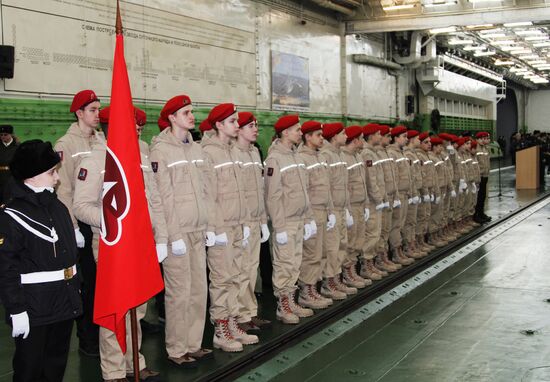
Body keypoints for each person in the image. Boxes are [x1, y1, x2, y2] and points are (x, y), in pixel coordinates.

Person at [73, 112, 165, 382]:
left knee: (137, 308)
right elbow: (81, 206)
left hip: (141, 243)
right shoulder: (94, 159)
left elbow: (153, 197)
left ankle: (133, 361)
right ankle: (113, 370)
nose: (137, 129)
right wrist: (111, 221)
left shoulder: (142, 153)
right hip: (111, 245)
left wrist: (159, 236)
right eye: (132, 125)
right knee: (116, 308)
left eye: (139, 126)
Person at [0, 139, 82, 382]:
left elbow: (69, 255)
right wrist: (16, 309)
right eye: (51, 172)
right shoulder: (11, 215)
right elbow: (6, 268)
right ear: (31, 176)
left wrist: (77, 290)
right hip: (34, 307)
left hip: (63, 301)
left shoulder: (57, 207)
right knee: (30, 368)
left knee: (55, 366)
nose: (57, 178)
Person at [149, 95, 213, 365]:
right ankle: (176, 349)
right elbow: (162, 198)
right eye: (185, 112)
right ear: (172, 118)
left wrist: (209, 225)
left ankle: (193, 343)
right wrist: (172, 236)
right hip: (179, 234)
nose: (191, 116)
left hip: (198, 230)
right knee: (179, 293)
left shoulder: (197, 149)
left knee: (199, 291)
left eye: (191, 111)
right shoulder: (161, 151)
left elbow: (206, 191)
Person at [202, 103, 259, 349]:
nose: (238, 125)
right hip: (221, 227)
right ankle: (221, 328)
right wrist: (215, 229)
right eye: (233, 122)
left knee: (237, 276)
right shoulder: (207, 152)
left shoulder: (233, 152)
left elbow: (242, 193)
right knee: (222, 280)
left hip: (238, 225)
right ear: (219, 125)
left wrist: (246, 222)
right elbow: (208, 195)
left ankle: (233, 322)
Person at [54, 89, 102, 357]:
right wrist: (72, 227)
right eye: (92, 110)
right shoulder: (65, 145)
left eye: (98, 109)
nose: (97, 115)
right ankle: (87, 338)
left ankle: (104, 330)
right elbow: (63, 190)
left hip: (102, 222)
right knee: (87, 285)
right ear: (79, 113)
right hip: (80, 223)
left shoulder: (102, 141)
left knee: (104, 282)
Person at [265, 115, 315, 324]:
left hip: (298, 219)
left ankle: (291, 300)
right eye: (297, 129)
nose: (300, 133)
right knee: (284, 264)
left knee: (294, 263)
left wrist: (309, 218)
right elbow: (272, 195)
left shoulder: (296, 156)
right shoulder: (274, 159)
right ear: (285, 132)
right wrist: (279, 226)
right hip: (285, 221)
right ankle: (283, 305)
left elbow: (304, 190)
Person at [233, 111, 272, 331]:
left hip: (256, 219)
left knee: (251, 269)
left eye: (256, 125)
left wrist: (262, 220)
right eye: (250, 126)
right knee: (240, 271)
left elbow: (259, 190)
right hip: (242, 221)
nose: (256, 129)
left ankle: (249, 311)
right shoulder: (234, 154)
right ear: (238, 130)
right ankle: (239, 315)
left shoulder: (254, 153)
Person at [297, 120, 338, 306]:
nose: (322, 138)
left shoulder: (319, 157)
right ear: (307, 137)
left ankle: (315, 287)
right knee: (311, 255)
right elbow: (303, 191)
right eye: (318, 135)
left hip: (323, 211)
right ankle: (306, 292)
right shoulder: (302, 158)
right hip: (311, 213)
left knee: (321, 253)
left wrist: (330, 211)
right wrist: (308, 218)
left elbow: (326, 188)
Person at [319, 122, 357, 298]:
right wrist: (330, 212)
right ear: (334, 136)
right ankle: (328, 283)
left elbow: (344, 186)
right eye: (343, 134)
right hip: (332, 210)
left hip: (342, 208)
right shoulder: (326, 155)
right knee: (331, 249)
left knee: (341, 246)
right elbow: (325, 187)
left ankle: (336, 278)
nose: (346, 136)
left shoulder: (339, 155)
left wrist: (347, 209)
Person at [340, 125, 370, 288]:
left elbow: (363, 183)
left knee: (358, 240)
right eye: (362, 138)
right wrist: (347, 210)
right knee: (349, 242)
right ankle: (347, 273)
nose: (364, 142)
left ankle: (352, 270)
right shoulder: (344, 158)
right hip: (350, 206)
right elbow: (342, 185)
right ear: (356, 140)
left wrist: (365, 204)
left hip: (360, 204)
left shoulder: (357, 157)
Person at [360, 124, 390, 277]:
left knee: (377, 232)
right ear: (371, 136)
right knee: (371, 234)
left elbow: (379, 178)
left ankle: (373, 263)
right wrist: (379, 198)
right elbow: (370, 179)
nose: (381, 136)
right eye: (378, 134)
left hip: (377, 200)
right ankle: (366, 266)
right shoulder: (367, 154)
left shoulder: (373, 153)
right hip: (372, 201)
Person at [386, 126, 414, 266]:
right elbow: (393, 177)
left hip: (403, 193)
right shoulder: (392, 154)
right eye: (404, 136)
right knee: (395, 224)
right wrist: (396, 196)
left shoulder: (400, 153)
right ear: (396, 138)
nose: (406, 139)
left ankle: (400, 249)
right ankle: (395, 252)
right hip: (396, 195)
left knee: (401, 223)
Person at [474, 132, 491, 223]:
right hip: (479, 175)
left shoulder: (485, 148)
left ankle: (481, 212)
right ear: (477, 139)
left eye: (485, 138)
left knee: (483, 195)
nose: (484, 140)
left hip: (485, 175)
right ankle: (476, 214)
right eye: (482, 138)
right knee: (478, 196)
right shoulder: (475, 148)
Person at [0, 124, 18, 202]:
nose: (3, 136)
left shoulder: (18, 147)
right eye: (1, 135)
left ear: (11, 134)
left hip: (12, 176)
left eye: (5, 134)